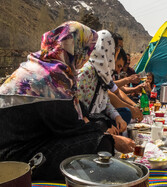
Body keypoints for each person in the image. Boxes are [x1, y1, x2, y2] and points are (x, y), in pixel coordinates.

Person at [0, 21, 135, 181]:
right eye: (86, 51)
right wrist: (111, 139)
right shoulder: (51, 78)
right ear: (75, 49)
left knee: (100, 127)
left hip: (28, 141)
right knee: (101, 143)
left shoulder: (43, 67)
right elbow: (69, 127)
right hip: (16, 158)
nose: (86, 59)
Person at [77, 30, 129, 135]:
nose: (116, 54)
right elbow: (76, 110)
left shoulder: (103, 73)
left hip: (95, 122)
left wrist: (117, 117)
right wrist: (101, 130)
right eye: (116, 50)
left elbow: (105, 102)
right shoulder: (87, 72)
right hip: (83, 128)